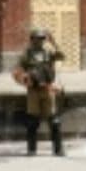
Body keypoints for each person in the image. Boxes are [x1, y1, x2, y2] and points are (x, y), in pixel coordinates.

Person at [13, 27, 65, 156]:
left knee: (54, 121)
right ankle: (32, 149)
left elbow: (62, 56)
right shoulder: (26, 55)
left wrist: (54, 42)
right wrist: (24, 80)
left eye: (42, 39)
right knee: (32, 121)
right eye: (37, 39)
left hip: (48, 89)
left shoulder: (49, 52)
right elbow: (17, 71)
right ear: (32, 40)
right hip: (33, 91)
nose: (40, 41)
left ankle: (58, 149)